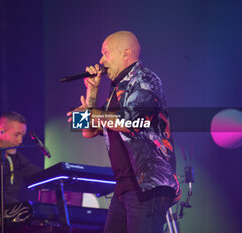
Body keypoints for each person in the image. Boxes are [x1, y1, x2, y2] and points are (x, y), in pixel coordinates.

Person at [67, 31, 181, 233]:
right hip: (125, 187)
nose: (101, 60)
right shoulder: (117, 90)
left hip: (148, 187)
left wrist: (92, 114)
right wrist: (92, 91)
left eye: (105, 53)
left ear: (126, 53)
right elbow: (88, 132)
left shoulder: (146, 80)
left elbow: (131, 122)